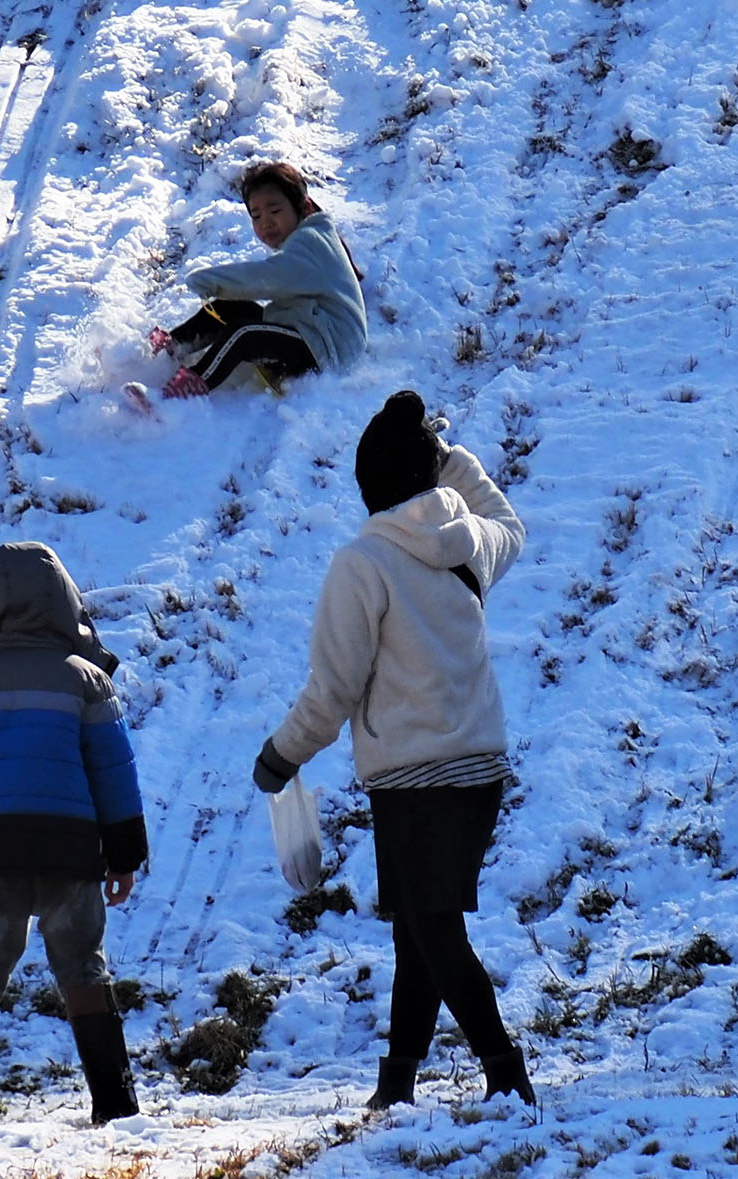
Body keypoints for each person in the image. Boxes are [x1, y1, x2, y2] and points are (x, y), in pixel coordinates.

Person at [251, 391, 534, 1109]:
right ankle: (398, 1083)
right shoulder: (466, 546)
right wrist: (453, 463)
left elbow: (335, 685)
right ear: (431, 475)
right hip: (478, 773)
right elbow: (509, 523)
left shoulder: (363, 562)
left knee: (433, 928)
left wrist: (283, 755)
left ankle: (505, 1074)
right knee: (418, 927)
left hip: (412, 781)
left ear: (368, 486)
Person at [0, 542, 149, 1128]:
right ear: (64, 603)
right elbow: (115, 775)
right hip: (70, 852)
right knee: (83, 970)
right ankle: (116, 1107)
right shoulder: (87, 680)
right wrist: (124, 857)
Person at [152, 162, 367, 397]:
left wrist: (212, 280)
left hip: (327, 347)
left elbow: (267, 278)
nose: (266, 222)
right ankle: (171, 347)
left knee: (244, 334)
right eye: (256, 215)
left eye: (275, 211)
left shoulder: (310, 240)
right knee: (228, 308)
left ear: (303, 207)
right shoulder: (310, 237)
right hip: (311, 329)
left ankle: (186, 389)